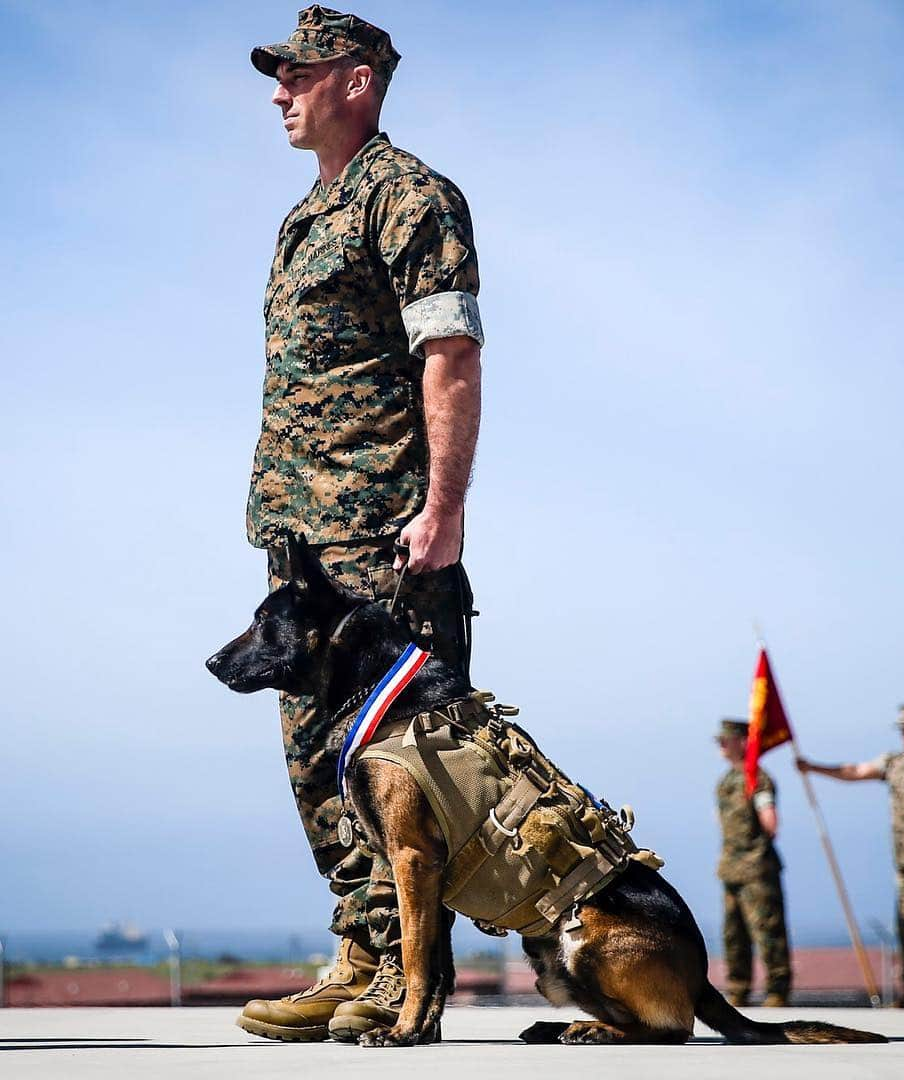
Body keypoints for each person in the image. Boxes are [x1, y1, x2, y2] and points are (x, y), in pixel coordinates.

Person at [235, 6, 485, 1042]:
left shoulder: (410, 196)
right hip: (303, 537)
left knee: (390, 758)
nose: (279, 92)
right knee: (313, 755)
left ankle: (405, 973)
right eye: (278, 76)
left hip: (382, 529)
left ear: (356, 80)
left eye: (296, 73)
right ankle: (358, 953)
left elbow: (451, 358)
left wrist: (444, 509)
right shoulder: (307, 214)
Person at [796, 704, 904, 1007]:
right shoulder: (896, 762)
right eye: (901, 728)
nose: (903, 733)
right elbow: (856, 771)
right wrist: (813, 767)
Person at [715, 719, 792, 1006]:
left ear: (743, 741)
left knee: (767, 930)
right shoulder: (727, 781)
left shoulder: (757, 777)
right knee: (733, 933)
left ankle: (777, 989)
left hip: (757, 868)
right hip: (731, 869)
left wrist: (767, 826)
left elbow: (770, 819)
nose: (722, 744)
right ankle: (738, 987)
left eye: (727, 739)